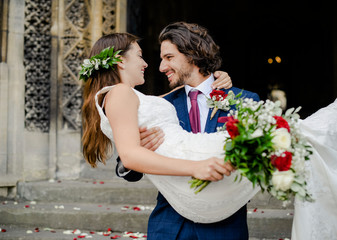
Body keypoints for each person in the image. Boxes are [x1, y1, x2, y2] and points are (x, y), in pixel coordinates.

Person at [80, 31, 260, 240]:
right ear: (120, 61)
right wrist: (135, 156)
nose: (159, 67)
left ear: (192, 54)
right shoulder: (151, 100)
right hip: (171, 225)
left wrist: (215, 78)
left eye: (169, 58)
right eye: (142, 56)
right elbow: (130, 157)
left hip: (223, 222)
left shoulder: (243, 100)